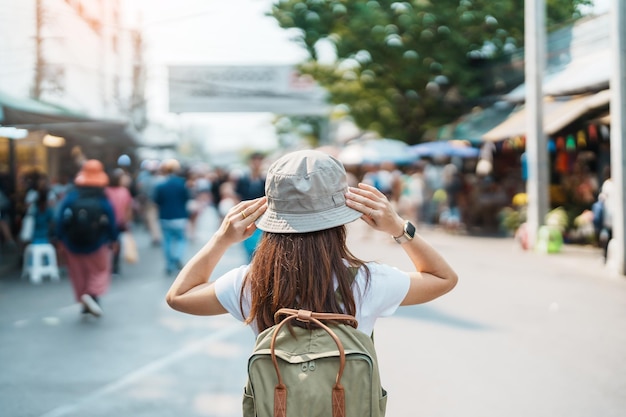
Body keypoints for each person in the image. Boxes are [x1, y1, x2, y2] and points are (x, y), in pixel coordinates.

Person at [166, 150, 457, 346]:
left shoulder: (251, 283)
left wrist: (222, 239)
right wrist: (397, 227)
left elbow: (179, 297)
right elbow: (443, 278)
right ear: (341, 216)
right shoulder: (368, 281)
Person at [55, 160, 118, 317]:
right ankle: (92, 295)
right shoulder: (103, 199)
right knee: (99, 271)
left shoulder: (71, 197)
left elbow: (60, 219)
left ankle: (84, 301)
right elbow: (111, 220)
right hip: (98, 243)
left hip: (72, 243)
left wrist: (60, 239)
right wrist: (114, 239)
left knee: (78, 273)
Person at [154, 159, 191, 276]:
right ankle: (177, 257)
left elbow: (157, 201)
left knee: (167, 241)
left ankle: (169, 264)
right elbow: (186, 198)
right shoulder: (182, 184)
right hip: (180, 216)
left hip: (165, 216)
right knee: (180, 239)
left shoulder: (161, 185)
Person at [235, 151, 267, 261]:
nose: (256, 163)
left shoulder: (265, 180)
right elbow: (238, 196)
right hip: (247, 215)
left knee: (260, 244)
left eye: (259, 161)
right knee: (248, 243)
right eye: (255, 161)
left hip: (262, 215)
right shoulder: (243, 179)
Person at [105, 168, 134, 275]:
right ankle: (115, 265)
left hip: (108, 222)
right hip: (120, 221)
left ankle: (108, 264)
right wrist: (127, 220)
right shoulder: (124, 191)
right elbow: (128, 208)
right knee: (117, 243)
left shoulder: (106, 191)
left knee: (107, 243)